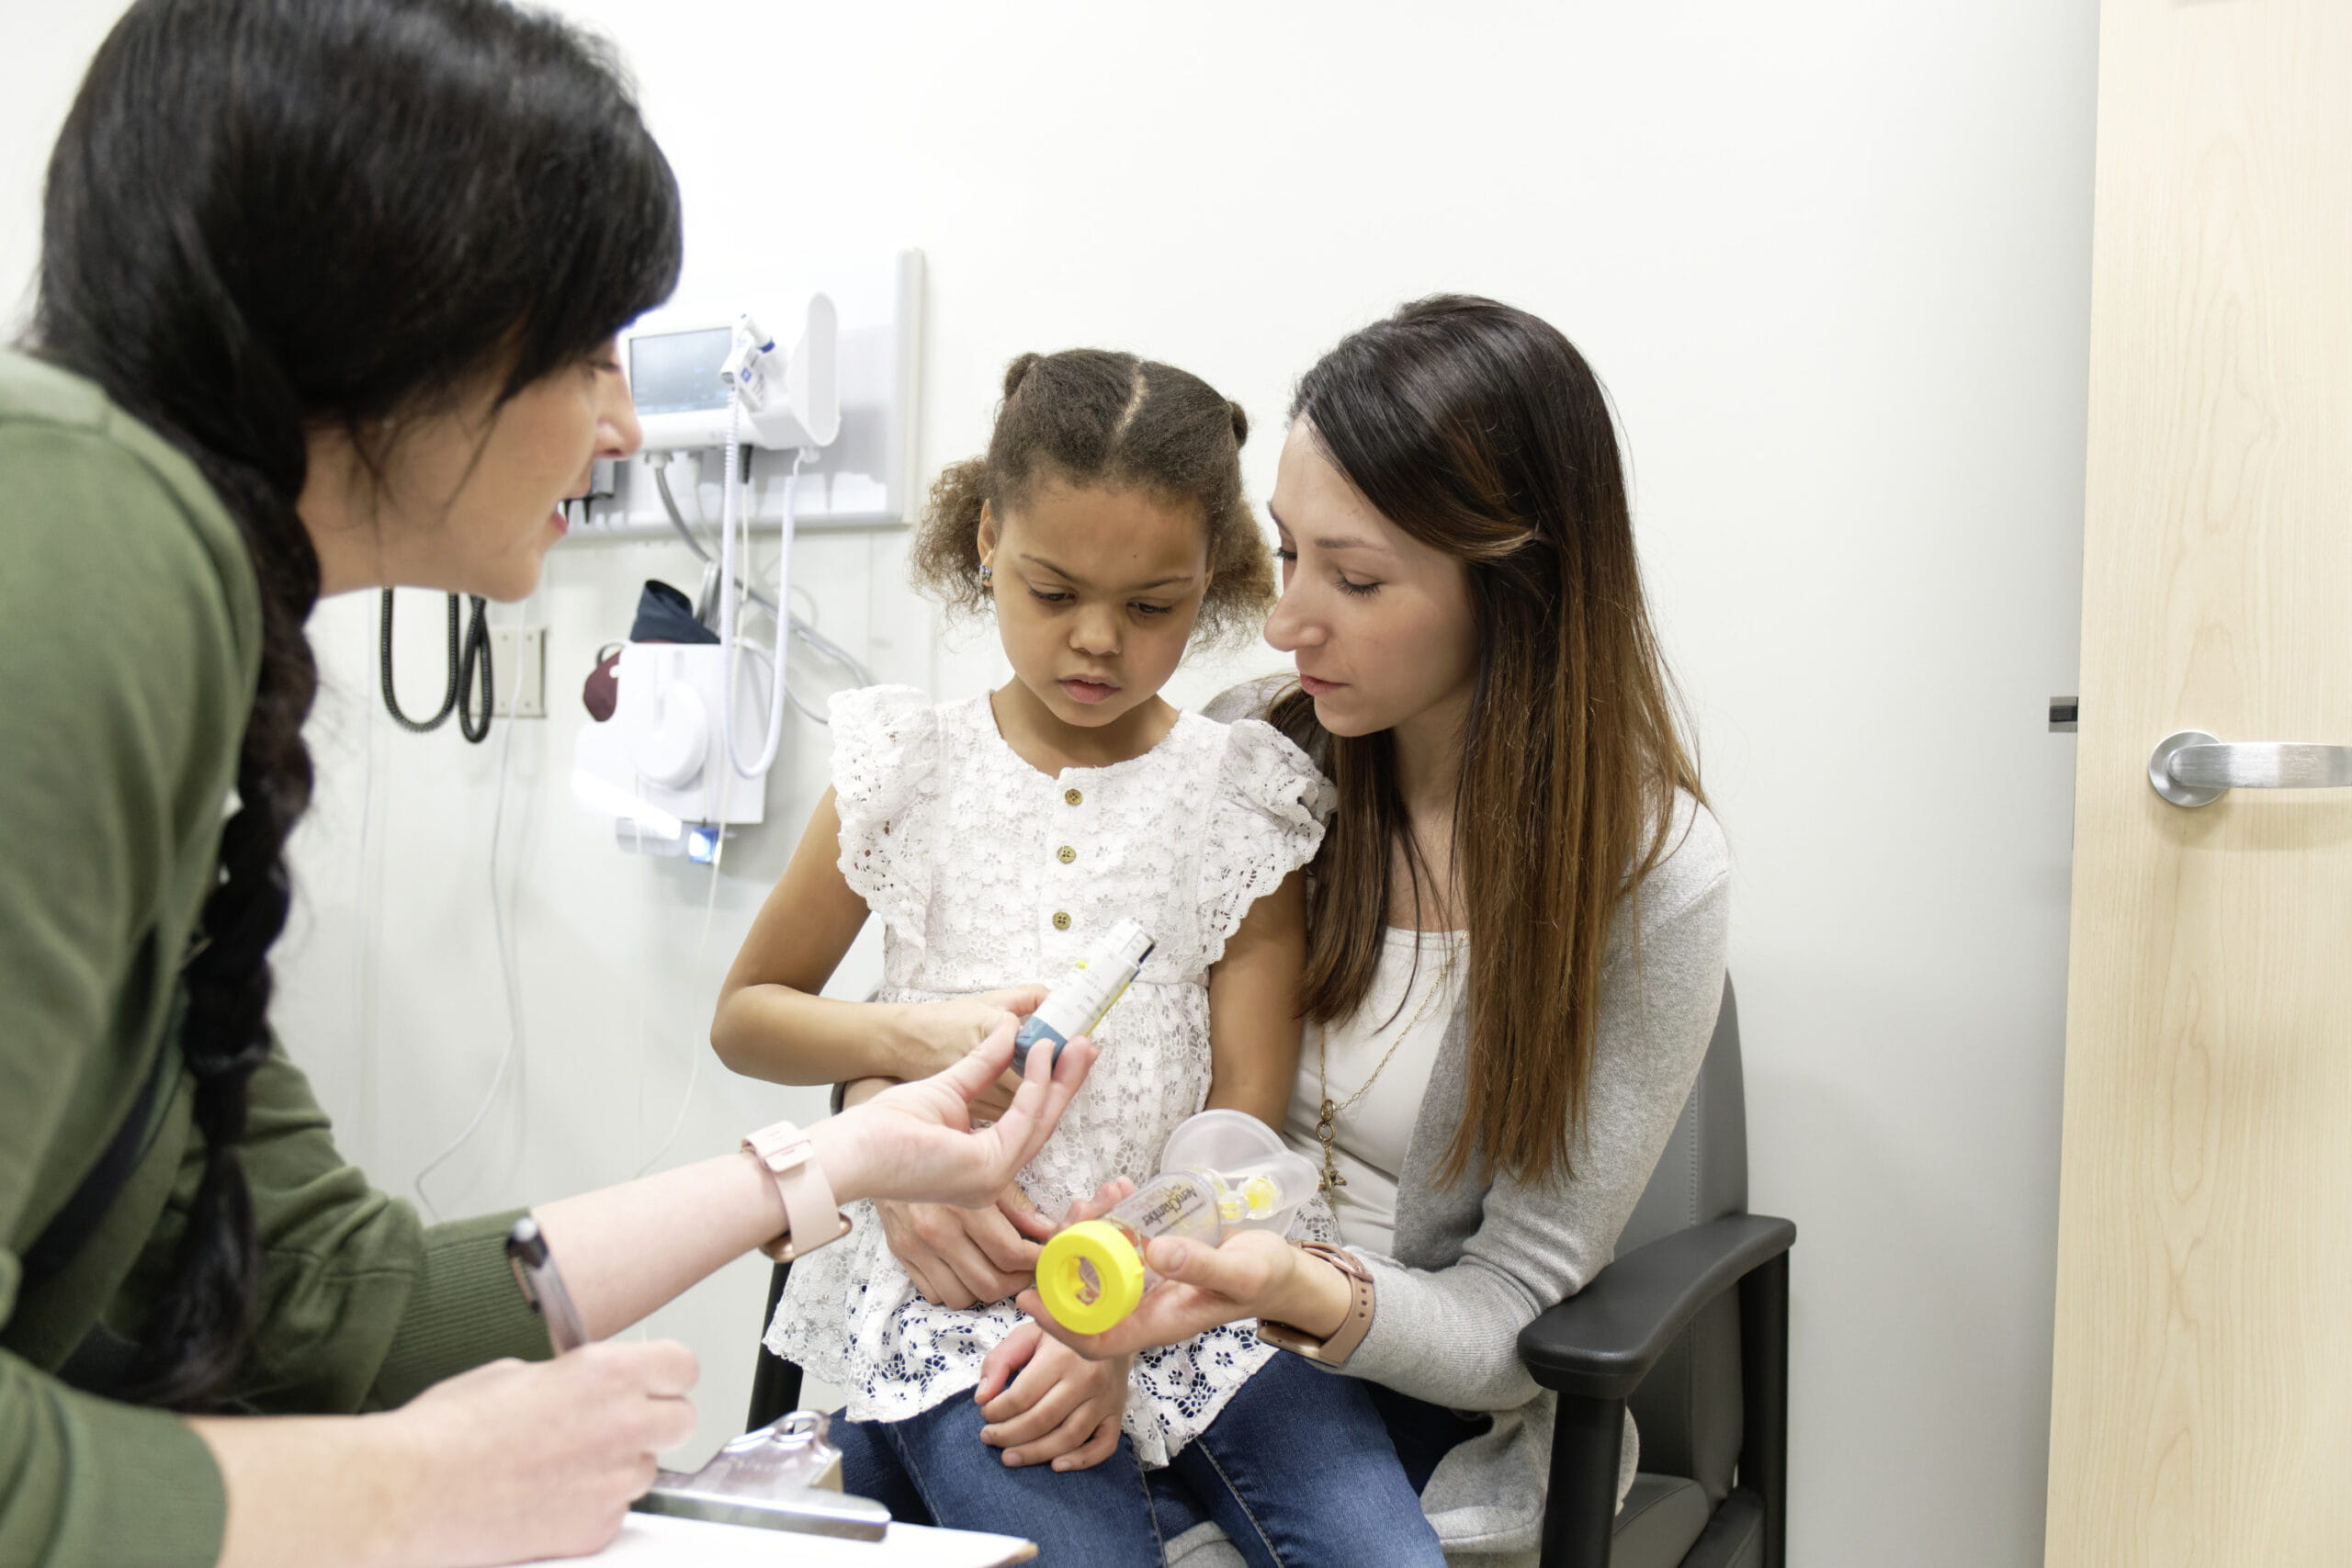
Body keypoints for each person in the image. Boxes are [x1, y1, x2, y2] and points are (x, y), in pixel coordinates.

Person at [0, 5, 1098, 1566]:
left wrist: (841, 1158)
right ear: (403, 309)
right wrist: (406, 1493)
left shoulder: (143, 575)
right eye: (591, 352)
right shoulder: (88, 541)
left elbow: (330, 1301)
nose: (626, 425)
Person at [1012, 297, 1735, 1567]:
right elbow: (1027, 991)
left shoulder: (1645, 875)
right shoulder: (1255, 758)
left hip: (1397, 1374)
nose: (1288, 622)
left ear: (1516, 584)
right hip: (1145, 1306)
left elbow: (1513, 1314)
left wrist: (1289, 1288)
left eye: (1352, 579)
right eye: (1288, 554)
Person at [712, 349, 1445, 1563]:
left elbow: (1244, 1107)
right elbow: (748, 1016)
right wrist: (905, 1045)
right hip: (952, 1303)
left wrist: (1126, 1310)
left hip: (1184, 1290)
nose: (1097, 643)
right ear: (990, 536)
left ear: (1211, 581)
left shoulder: (1244, 795)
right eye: (1054, 593)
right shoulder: (902, 769)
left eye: (1153, 607)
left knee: (1389, 1557)